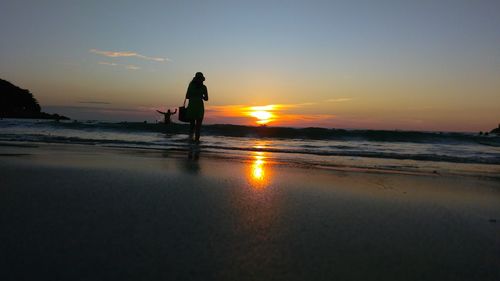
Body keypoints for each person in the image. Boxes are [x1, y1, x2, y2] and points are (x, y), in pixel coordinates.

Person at [185, 72, 208, 142]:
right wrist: (201, 96)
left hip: (192, 106)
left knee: (192, 126)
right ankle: (197, 142)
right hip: (199, 107)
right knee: (198, 126)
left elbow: (187, 96)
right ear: (202, 79)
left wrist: (193, 96)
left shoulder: (191, 86)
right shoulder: (204, 87)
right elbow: (206, 98)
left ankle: (190, 141)